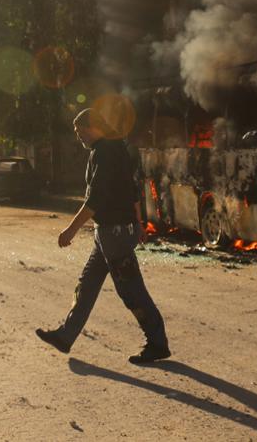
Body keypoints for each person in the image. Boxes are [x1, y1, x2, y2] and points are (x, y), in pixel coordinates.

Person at [36, 108, 170, 364]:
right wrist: (139, 223)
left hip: (115, 233)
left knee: (131, 291)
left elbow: (95, 198)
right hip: (109, 233)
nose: (79, 137)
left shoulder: (104, 153)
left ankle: (157, 343)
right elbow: (132, 190)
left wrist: (71, 230)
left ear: (92, 126)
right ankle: (66, 336)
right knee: (87, 285)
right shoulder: (116, 148)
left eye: (80, 131)